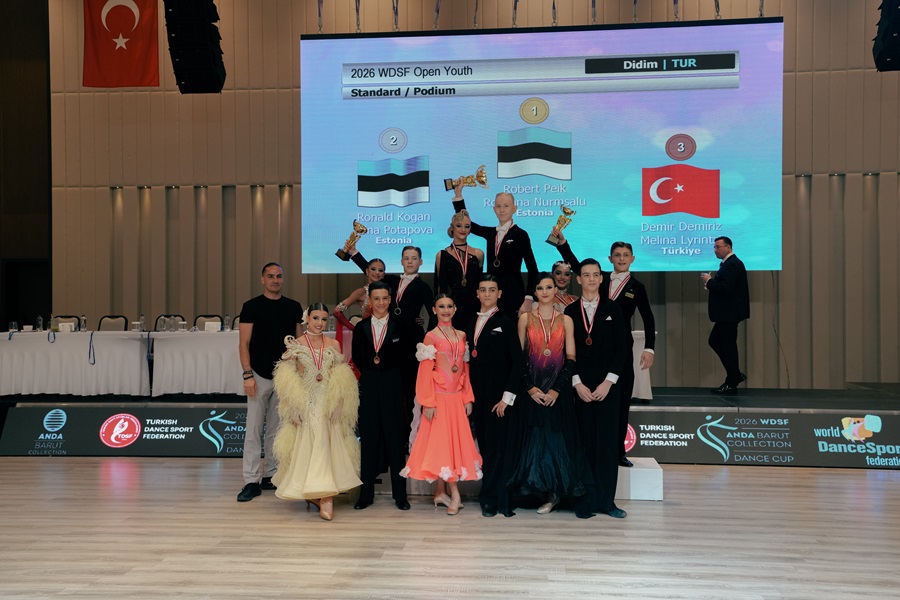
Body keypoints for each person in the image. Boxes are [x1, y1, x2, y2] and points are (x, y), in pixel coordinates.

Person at [554, 232, 657, 467]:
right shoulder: (600, 278)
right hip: (593, 350)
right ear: (610, 259)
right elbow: (579, 266)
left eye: (625, 255)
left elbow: (648, 317)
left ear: (632, 258)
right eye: (617, 255)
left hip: (621, 350)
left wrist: (649, 348)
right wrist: (563, 245)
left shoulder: (637, 287)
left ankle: (618, 451)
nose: (621, 259)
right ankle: (585, 450)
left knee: (621, 400)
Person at [509, 273, 593, 519]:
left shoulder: (566, 320)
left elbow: (571, 358)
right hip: (532, 390)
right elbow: (519, 358)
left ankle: (555, 494)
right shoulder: (525, 318)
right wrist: (530, 388)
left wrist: (557, 389)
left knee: (556, 443)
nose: (545, 291)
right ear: (535, 292)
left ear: (555, 290)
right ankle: (538, 493)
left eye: (549, 287)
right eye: (540, 288)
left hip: (558, 392)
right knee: (535, 442)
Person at [271, 304, 361, 521]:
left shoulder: (333, 344)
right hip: (306, 402)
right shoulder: (296, 344)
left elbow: (340, 376)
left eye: (323, 319)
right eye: (316, 318)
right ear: (307, 319)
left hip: (327, 402)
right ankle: (316, 493)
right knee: (309, 447)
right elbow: (286, 378)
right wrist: (293, 406)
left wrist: (338, 403)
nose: (320, 323)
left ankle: (326, 495)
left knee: (326, 445)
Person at [401, 294, 483, 515]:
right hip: (438, 399)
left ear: (455, 309)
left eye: (449, 306)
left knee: (450, 446)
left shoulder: (462, 335)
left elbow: (464, 369)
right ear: (434, 310)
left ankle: (440, 492)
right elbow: (425, 372)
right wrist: (428, 402)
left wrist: (467, 397)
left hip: (456, 399)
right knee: (443, 446)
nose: (446, 310)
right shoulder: (430, 337)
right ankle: (455, 494)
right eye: (441, 306)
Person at [564, 258, 628, 518]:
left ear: (602, 279)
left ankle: (607, 502)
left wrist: (608, 382)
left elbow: (623, 349)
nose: (591, 279)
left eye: (595, 275)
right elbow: (566, 351)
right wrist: (576, 382)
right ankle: (586, 502)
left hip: (607, 388)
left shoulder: (614, 308)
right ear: (578, 279)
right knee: (584, 445)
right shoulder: (569, 312)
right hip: (580, 388)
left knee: (607, 446)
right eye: (586, 275)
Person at [237, 262, 304, 502]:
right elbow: (243, 344)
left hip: (285, 376)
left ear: (283, 279)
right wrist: (247, 375)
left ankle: (271, 475)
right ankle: (251, 480)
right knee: (254, 430)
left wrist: (297, 374)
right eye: (271, 276)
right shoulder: (251, 307)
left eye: (279, 276)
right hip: (257, 375)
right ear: (262, 279)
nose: (275, 280)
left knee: (277, 430)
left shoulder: (293, 307)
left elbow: (299, 344)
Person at [350, 245, 435, 427]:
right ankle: (392, 425)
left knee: (410, 386)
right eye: (407, 258)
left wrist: (427, 339)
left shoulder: (423, 287)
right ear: (401, 261)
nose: (410, 262)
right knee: (393, 385)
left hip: (411, 342)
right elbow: (371, 271)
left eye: (414, 258)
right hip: (389, 340)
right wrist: (355, 254)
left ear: (421, 262)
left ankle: (410, 430)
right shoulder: (393, 281)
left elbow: (433, 314)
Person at [351, 281, 414, 511]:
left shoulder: (401, 326)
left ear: (390, 299)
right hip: (368, 386)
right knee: (368, 439)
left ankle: (400, 495)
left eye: (384, 298)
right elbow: (357, 357)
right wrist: (372, 373)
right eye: (376, 298)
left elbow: (407, 359)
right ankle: (365, 494)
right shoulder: (360, 328)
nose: (380, 303)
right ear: (370, 300)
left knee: (395, 440)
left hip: (393, 386)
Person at [466, 274, 524, 517]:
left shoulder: (506, 322)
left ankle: (494, 499)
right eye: (483, 289)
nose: (487, 294)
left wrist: (507, 398)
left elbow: (518, 362)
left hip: (498, 400)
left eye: (492, 290)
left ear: (499, 293)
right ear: (477, 293)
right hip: (477, 397)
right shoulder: (470, 321)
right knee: (486, 448)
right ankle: (491, 495)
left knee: (498, 450)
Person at [451, 181, 538, 319]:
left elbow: (532, 268)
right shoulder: (491, 233)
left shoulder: (520, 234)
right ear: (493, 208)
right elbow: (467, 224)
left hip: (513, 294)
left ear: (514, 208)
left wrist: (528, 298)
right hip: (490, 295)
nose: (502, 210)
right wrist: (458, 196)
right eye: (498, 206)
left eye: (506, 206)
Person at [701, 236, 750, 394]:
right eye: (714, 247)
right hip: (726, 314)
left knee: (727, 346)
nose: (715, 250)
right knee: (716, 341)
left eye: (718, 247)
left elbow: (727, 288)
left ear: (728, 247)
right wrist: (711, 284)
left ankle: (732, 380)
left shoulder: (733, 264)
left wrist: (709, 281)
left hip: (729, 314)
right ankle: (734, 375)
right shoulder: (728, 264)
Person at [434, 209, 484, 330]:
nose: (463, 229)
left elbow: (480, 285)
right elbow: (440, 287)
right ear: (452, 227)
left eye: (467, 226)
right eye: (459, 226)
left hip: (474, 308)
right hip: (451, 309)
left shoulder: (478, 254)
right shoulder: (442, 255)